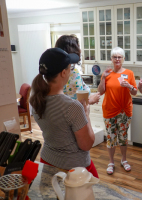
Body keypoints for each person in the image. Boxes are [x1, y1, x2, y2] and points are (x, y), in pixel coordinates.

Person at [30, 48, 98, 178]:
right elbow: (86, 145)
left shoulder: (36, 101)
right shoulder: (72, 107)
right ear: (63, 73)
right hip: (73, 169)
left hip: (47, 161)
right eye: (70, 68)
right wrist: (87, 114)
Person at [98, 47, 137, 175]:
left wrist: (129, 86)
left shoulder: (129, 73)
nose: (117, 59)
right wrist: (103, 78)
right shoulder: (107, 74)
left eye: (119, 57)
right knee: (111, 137)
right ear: (111, 59)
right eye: (114, 57)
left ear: (123, 59)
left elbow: (135, 92)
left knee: (123, 137)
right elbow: (101, 91)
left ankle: (124, 160)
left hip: (124, 111)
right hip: (109, 110)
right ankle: (111, 162)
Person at [55, 35, 100, 105]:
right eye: (78, 47)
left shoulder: (66, 70)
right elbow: (74, 106)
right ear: (71, 50)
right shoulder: (70, 73)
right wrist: (90, 100)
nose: (80, 50)